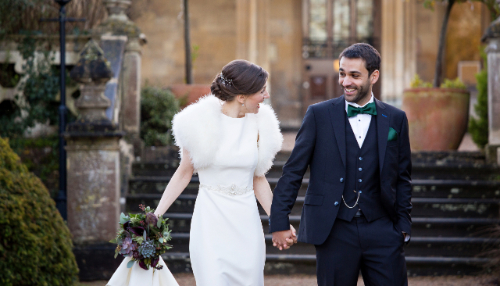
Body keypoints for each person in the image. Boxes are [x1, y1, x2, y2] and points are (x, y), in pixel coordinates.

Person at [270, 43, 412, 285]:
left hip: (382, 229)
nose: (346, 82)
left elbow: (402, 176)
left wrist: (402, 225)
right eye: (342, 74)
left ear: (373, 76)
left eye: (355, 75)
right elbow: (293, 171)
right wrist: (279, 221)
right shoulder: (318, 115)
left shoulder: (396, 118)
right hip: (334, 229)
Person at [151, 59, 296, 286]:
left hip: (246, 222)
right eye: (261, 91)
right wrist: (155, 216)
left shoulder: (261, 124)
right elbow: (184, 172)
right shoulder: (198, 122)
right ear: (242, 96)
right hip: (210, 222)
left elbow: (258, 179)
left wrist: (280, 221)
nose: (266, 96)